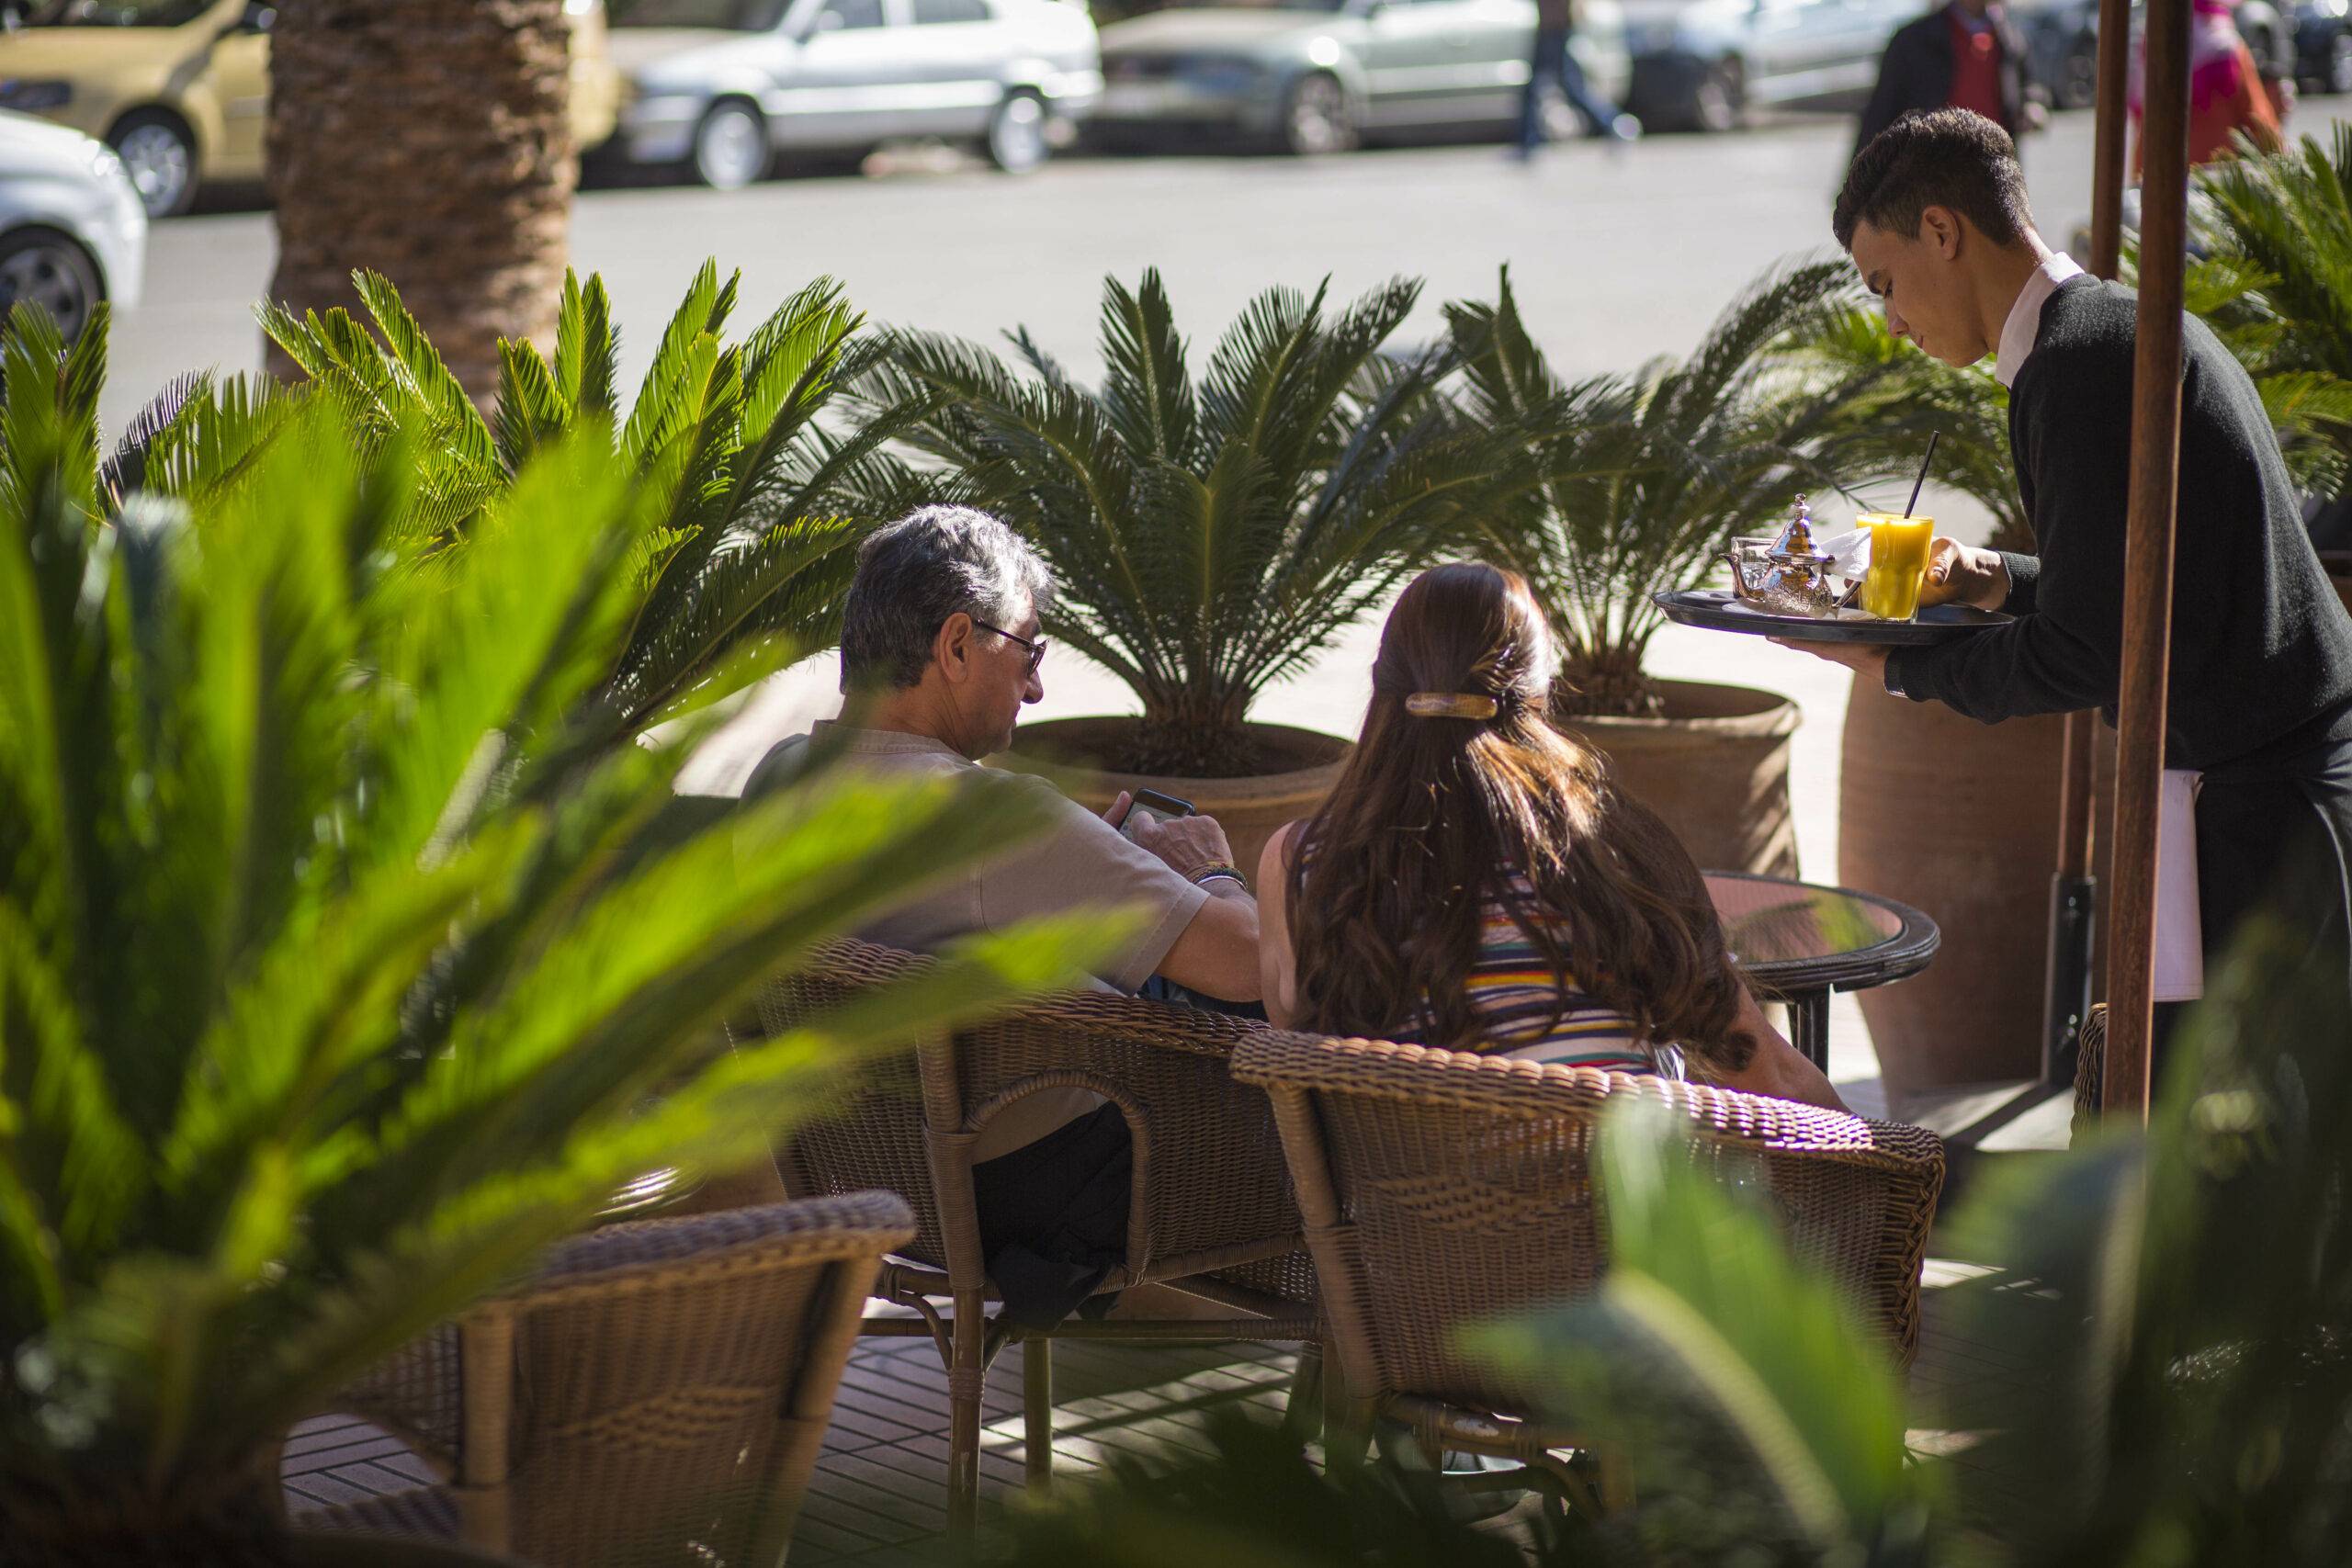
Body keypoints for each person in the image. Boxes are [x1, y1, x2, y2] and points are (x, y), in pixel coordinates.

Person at [1801, 108, 2352, 1062]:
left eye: (1885, 284)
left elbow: (2088, 649)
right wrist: (1986, 580)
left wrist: (1898, 671)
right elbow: (2137, 588)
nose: (1889, 320)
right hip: (2275, 787)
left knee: (2247, 1164)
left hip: (2267, 813)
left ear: (1942, 230)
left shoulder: (2077, 362)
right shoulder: (2096, 330)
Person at [744, 505, 1263, 1325]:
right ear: (956, 645)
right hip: (1043, 1195)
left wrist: (1116, 875)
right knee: (1336, 1106)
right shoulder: (989, 817)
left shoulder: (779, 776)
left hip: (876, 1174)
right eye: (1029, 651)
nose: (1036, 687)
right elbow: (1244, 959)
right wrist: (1214, 870)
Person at [1255, 561, 1847, 1111]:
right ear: (1538, 693)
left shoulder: (1302, 863)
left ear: (1385, 687)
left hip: (1401, 1216)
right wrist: (1887, 1164)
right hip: (1624, 1216)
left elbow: (1301, 1054)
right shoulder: (1610, 846)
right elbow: (1762, 1076)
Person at [1854, 0, 2041, 166]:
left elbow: (2027, 85)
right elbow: (1880, 110)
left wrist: (2032, 105)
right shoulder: (1915, 40)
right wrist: (1856, 190)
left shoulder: (2009, 38)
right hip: (1932, 166)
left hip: (1993, 164)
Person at [2128, 0, 2283, 180]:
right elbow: (2260, 123)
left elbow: (2144, 120)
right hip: (2221, 184)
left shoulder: (2154, 46)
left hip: (2162, 180)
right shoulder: (2227, 50)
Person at [1517, 0, 1639, 157]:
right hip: (1551, 25)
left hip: (1554, 26)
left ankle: (1614, 122)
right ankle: (1529, 141)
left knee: (1557, 86)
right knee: (1560, 86)